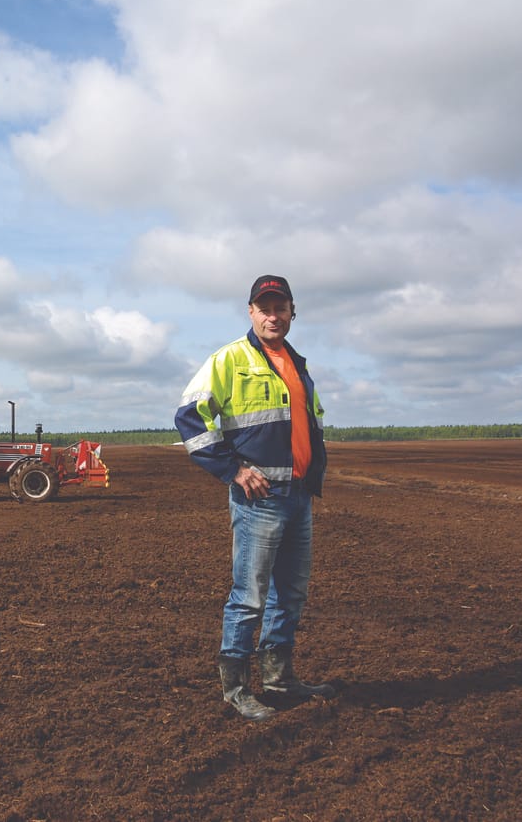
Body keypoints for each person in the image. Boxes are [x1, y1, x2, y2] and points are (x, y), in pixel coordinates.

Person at [174, 275, 336, 721]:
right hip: (259, 500)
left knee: (291, 594)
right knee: (249, 596)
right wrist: (233, 469)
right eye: (264, 307)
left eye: (279, 307)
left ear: (291, 312)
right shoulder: (230, 359)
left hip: (298, 496)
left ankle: (280, 679)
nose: (272, 315)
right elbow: (189, 415)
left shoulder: (296, 364)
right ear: (251, 312)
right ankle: (237, 689)